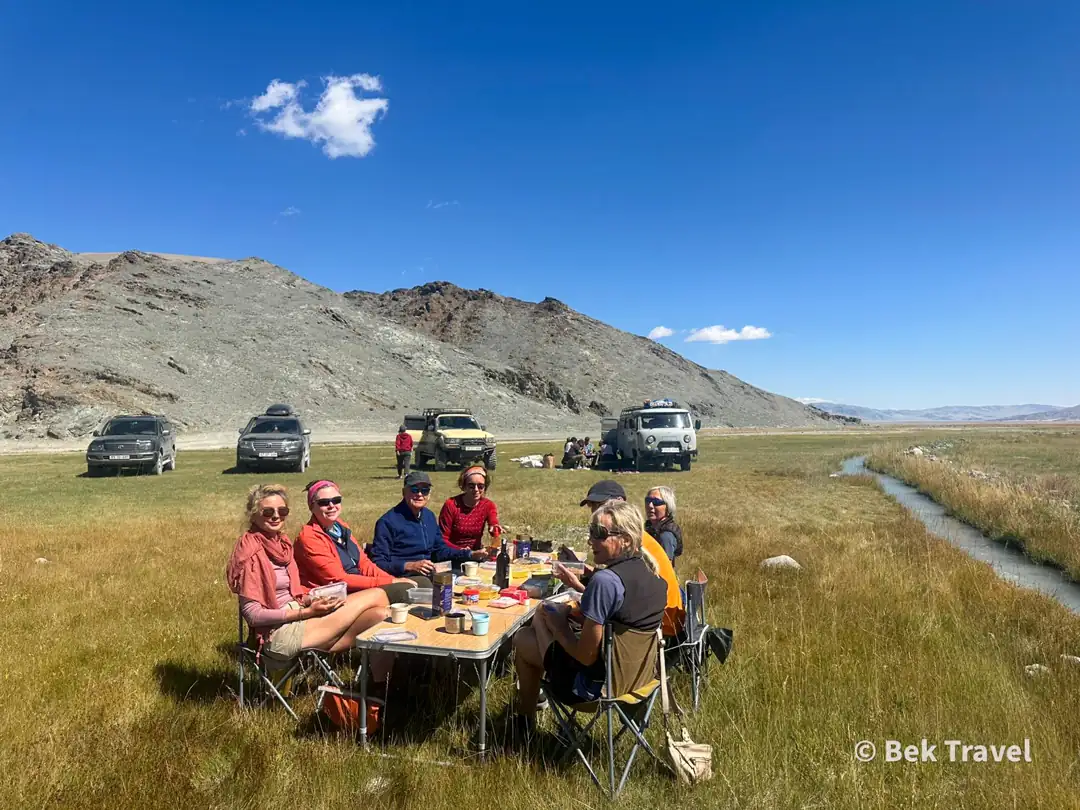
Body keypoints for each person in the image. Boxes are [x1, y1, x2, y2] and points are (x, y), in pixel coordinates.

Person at [512, 500, 666, 732]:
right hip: (638, 683)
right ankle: (528, 716)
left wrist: (559, 625)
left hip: (591, 690)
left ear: (626, 539)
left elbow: (585, 656)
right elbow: (620, 623)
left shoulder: (605, 582)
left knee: (525, 635)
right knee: (539, 623)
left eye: (599, 533)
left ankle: (525, 723)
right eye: (591, 532)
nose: (590, 540)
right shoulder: (654, 578)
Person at [226, 483, 392, 665]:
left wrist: (313, 600)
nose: (276, 516)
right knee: (379, 594)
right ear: (253, 514)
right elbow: (253, 615)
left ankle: (376, 681)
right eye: (268, 512)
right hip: (278, 634)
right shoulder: (250, 552)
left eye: (282, 511)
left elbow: (293, 594)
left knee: (380, 615)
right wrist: (306, 612)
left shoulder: (282, 544)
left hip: (300, 618)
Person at [556, 479, 684, 636]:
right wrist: (581, 568)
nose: (596, 513)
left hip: (663, 625)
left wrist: (578, 586)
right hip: (657, 624)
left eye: (600, 505)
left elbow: (623, 601)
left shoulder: (634, 542)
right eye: (593, 507)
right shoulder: (634, 539)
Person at [295, 479, 420, 605]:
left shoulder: (340, 527)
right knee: (402, 591)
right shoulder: (309, 538)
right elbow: (339, 580)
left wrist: (392, 579)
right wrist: (390, 583)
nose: (331, 505)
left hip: (356, 586)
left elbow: (364, 564)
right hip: (333, 596)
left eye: (336, 500)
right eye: (324, 502)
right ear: (311, 507)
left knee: (419, 583)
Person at [370, 471, 487, 578]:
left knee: (469, 577)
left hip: (430, 571)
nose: (420, 494)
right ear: (404, 492)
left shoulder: (428, 516)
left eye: (425, 490)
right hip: (405, 576)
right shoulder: (387, 522)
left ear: (429, 494)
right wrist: (409, 565)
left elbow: (440, 551)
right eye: (414, 489)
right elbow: (378, 562)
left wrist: (470, 554)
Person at [438, 465, 502, 551]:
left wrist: (494, 527)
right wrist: (463, 552)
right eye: (471, 486)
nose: (476, 489)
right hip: (452, 552)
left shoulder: (488, 505)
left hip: (477, 552)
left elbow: (493, 522)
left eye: (480, 486)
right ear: (464, 486)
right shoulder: (451, 505)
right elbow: (442, 539)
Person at [644, 486, 683, 565]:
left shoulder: (666, 535)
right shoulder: (650, 527)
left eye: (656, 502)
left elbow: (666, 566)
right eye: (648, 500)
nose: (650, 505)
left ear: (668, 507)